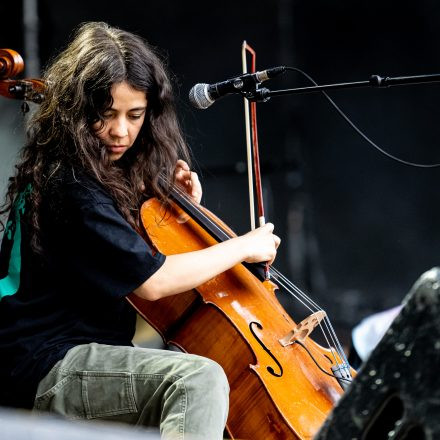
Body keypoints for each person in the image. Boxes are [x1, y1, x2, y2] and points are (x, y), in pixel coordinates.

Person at [0, 22, 280, 440]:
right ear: (77, 110)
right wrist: (243, 246)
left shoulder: (89, 175)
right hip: (44, 364)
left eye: (135, 115)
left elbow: (124, 254)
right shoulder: (73, 184)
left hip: (70, 357)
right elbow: (154, 281)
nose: (120, 131)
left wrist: (181, 215)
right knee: (196, 381)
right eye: (105, 114)